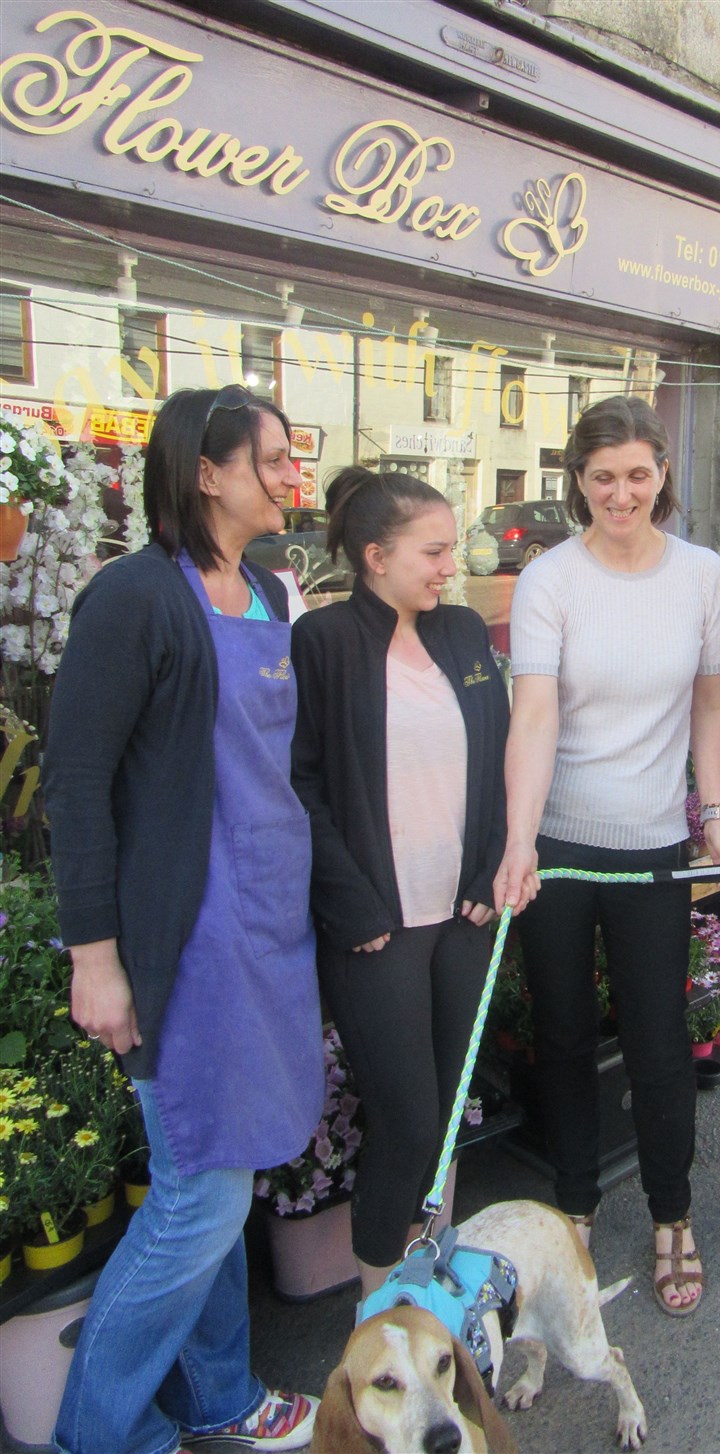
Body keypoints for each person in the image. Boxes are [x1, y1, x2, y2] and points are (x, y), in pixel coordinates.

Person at [43, 386, 325, 1454]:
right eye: (271, 460)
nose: (289, 476)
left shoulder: (262, 589)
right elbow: (75, 780)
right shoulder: (133, 597)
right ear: (207, 473)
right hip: (186, 940)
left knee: (224, 1179)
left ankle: (217, 1398)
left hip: (266, 927)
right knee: (199, 1198)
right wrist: (96, 957)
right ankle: (95, 1434)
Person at [494, 394, 720, 1317]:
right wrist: (520, 840)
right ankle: (574, 1208)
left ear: (663, 473)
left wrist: (714, 813)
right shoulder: (549, 577)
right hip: (560, 841)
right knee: (560, 1036)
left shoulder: (703, 574)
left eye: (638, 473)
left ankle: (672, 1211)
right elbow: (534, 713)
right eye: (602, 477)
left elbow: (711, 703)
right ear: (577, 482)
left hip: (652, 844)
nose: (621, 492)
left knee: (658, 1034)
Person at [290, 468, 508, 1296]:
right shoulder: (326, 642)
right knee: (407, 1121)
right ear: (376, 556)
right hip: (377, 925)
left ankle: (434, 1291)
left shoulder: (460, 632)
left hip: (462, 915)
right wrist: (349, 900)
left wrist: (490, 866)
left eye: (452, 548)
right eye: (435, 550)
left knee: (447, 1119)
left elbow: (496, 756)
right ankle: (378, 1317)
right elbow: (299, 782)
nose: (450, 564)